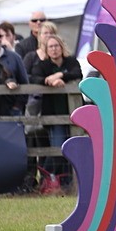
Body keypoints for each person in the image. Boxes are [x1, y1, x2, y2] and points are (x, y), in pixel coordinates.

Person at [29, 34, 82, 181]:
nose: (54, 49)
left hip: (73, 112)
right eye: (50, 47)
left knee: (74, 147)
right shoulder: (42, 65)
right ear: (46, 50)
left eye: (56, 46)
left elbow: (78, 73)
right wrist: (49, 81)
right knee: (59, 148)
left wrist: (60, 75)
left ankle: (69, 181)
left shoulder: (70, 61)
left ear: (62, 47)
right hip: (53, 114)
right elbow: (34, 77)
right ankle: (48, 177)